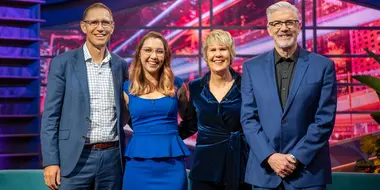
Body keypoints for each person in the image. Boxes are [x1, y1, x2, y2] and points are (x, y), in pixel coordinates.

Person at [240, 2, 337, 190]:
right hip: (265, 173)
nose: (283, 28)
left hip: (308, 173)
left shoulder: (323, 66)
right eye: (277, 24)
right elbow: (248, 119)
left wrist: (295, 158)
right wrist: (270, 156)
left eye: (289, 22)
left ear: (299, 26)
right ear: (269, 29)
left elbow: (324, 120)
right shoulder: (251, 68)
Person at [41, 3, 128, 190]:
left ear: (112, 27)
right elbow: (50, 116)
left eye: (105, 23)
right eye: (94, 22)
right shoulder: (63, 63)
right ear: (84, 27)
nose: (100, 28)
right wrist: (50, 161)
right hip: (74, 159)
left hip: (112, 160)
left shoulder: (121, 65)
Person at [179, 30, 251, 190]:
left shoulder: (247, 84)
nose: (218, 54)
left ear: (231, 53)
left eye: (223, 49)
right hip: (204, 169)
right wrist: (161, 137)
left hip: (240, 167)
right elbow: (190, 125)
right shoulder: (195, 86)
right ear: (206, 55)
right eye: (213, 50)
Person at [122, 31, 190, 190]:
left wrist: (171, 137)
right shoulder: (126, 89)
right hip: (137, 166)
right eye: (148, 50)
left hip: (172, 166)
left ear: (166, 56)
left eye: (159, 51)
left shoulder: (177, 86)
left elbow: (189, 120)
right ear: (139, 53)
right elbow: (122, 123)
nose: (153, 56)